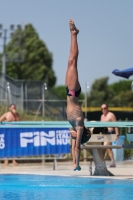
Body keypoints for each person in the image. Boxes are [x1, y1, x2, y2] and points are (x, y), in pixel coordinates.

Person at [65, 18, 91, 171]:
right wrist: (77, 164)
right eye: (77, 137)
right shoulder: (79, 123)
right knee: (73, 61)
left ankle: (73, 34)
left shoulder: (73, 126)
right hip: (73, 92)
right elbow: (77, 148)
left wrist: (73, 132)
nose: (73, 136)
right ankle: (74, 34)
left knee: (70, 61)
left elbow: (74, 144)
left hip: (68, 90)